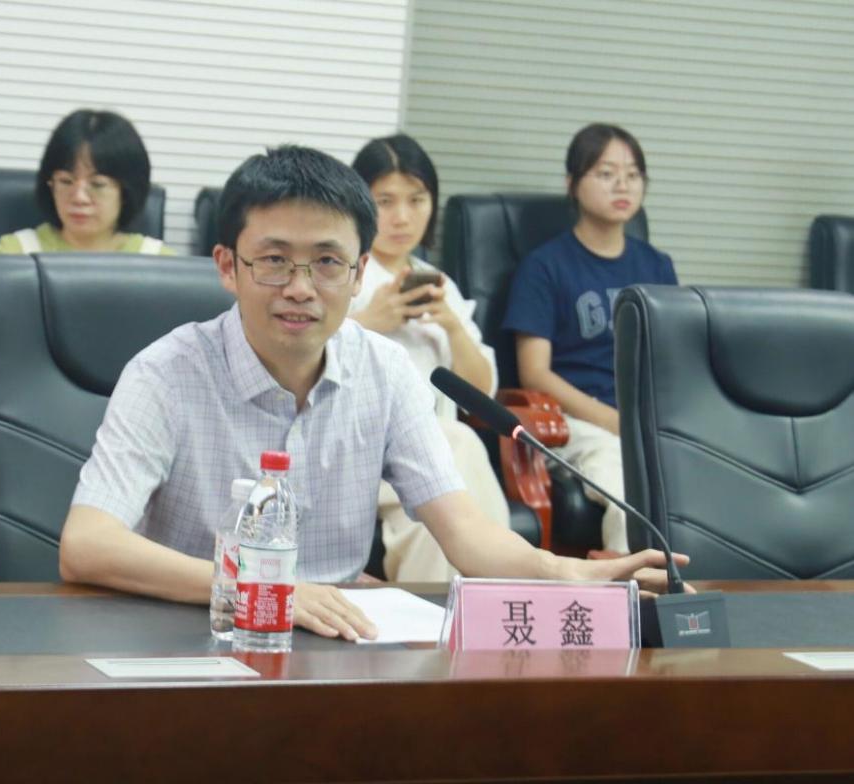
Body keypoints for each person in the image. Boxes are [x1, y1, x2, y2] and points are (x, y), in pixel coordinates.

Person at [59, 144, 687, 642]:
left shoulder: (385, 370)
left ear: (360, 272)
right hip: (190, 632)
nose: (301, 287)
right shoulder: (165, 373)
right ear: (228, 266)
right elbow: (87, 545)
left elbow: (464, 532)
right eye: (273, 260)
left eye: (327, 262)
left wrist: (566, 571)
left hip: (335, 641)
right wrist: (266, 589)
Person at [503, 123, 678, 554]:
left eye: (633, 174)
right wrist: (614, 421)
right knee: (627, 489)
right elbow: (535, 373)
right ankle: (636, 590)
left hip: (647, 421)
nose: (623, 184)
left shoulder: (657, 266)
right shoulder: (544, 267)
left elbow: (675, 360)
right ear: (572, 184)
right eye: (606, 173)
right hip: (576, 423)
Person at [349, 133, 510, 581]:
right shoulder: (339, 271)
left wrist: (453, 327)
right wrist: (368, 320)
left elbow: (482, 395)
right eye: (385, 201)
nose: (402, 217)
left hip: (431, 460)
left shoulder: (440, 284)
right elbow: (299, 361)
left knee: (440, 501)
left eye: (417, 200)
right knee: (456, 448)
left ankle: (454, 614)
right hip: (363, 451)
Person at [0, 109, 173, 255]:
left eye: (97, 184)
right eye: (66, 181)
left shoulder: (156, 261)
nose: (79, 198)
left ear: (125, 192)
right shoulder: (16, 253)